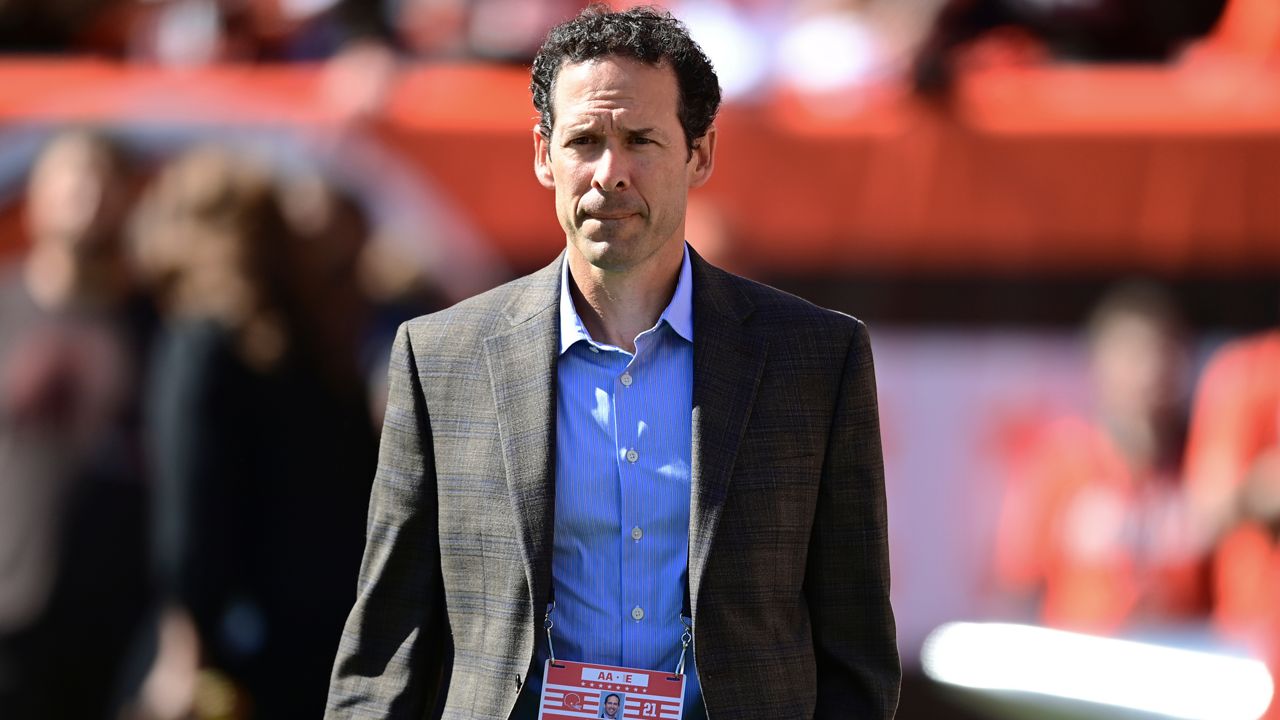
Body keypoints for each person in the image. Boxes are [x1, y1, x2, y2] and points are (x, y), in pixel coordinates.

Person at [326, 5, 899, 720]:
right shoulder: (442, 359)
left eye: (640, 140)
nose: (609, 173)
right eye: (585, 140)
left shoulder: (813, 359)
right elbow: (386, 650)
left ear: (700, 154)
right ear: (544, 155)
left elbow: (856, 651)